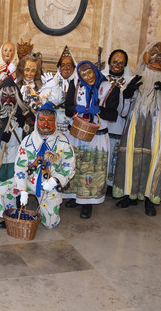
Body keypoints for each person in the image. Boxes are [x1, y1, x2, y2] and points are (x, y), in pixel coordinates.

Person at [113, 41, 161, 216]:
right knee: (132, 158)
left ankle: (150, 199)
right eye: (154, 55)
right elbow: (123, 109)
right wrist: (127, 94)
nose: (157, 61)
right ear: (146, 58)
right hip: (135, 128)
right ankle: (130, 195)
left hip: (157, 130)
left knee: (154, 161)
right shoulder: (134, 79)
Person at [0, 103, 75, 229]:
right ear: (37, 120)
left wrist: (55, 180)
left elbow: (69, 167)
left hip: (49, 185)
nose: (46, 124)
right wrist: (22, 189)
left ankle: (45, 211)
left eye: (50, 120)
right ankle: (10, 217)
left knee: (50, 224)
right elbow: (20, 167)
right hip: (29, 180)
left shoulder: (63, 142)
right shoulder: (27, 141)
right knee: (4, 188)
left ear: (55, 121)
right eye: (42, 120)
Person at [63, 61, 119, 219]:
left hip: (97, 136)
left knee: (91, 170)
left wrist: (99, 109)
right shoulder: (75, 84)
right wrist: (75, 109)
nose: (88, 77)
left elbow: (113, 115)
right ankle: (74, 197)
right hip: (77, 133)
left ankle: (87, 204)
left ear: (95, 70)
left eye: (90, 73)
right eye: (84, 74)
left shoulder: (109, 88)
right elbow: (68, 109)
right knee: (75, 165)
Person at [0, 77, 34, 207]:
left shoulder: (25, 111)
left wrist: (22, 123)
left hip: (16, 153)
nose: (8, 100)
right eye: (4, 96)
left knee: (12, 177)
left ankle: (13, 201)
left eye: (12, 96)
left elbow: (31, 134)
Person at [101, 49, 133, 196]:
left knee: (115, 157)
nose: (117, 65)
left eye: (121, 63)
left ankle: (112, 185)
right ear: (109, 62)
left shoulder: (130, 81)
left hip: (120, 125)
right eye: (115, 61)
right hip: (103, 125)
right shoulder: (100, 77)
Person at [39, 46, 78, 134]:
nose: (65, 68)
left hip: (71, 121)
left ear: (74, 67)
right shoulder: (52, 81)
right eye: (63, 65)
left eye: (68, 65)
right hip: (55, 120)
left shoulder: (78, 83)